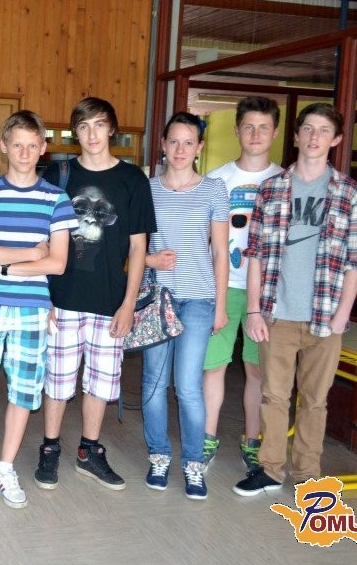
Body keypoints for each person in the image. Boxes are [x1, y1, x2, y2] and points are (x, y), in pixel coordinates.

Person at [234, 103, 357, 496]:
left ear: (336, 139)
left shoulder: (349, 193)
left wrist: (341, 316)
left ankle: (308, 475)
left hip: (325, 317)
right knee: (273, 397)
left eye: (324, 130)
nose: (314, 137)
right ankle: (270, 470)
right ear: (296, 135)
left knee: (314, 401)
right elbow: (256, 254)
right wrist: (254, 310)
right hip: (276, 314)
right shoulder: (272, 189)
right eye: (308, 129)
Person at [0, 110, 77, 509]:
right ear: (4, 146)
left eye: (32, 145)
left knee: (23, 388)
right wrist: (30, 254)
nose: (24, 153)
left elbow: (58, 262)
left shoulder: (56, 199)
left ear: (43, 148)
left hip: (31, 307)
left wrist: (4, 264)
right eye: (17, 144)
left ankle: (6, 468)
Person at [34, 97, 155, 492]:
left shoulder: (132, 179)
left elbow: (138, 247)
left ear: (112, 129)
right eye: (83, 126)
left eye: (99, 125)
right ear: (75, 132)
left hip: (109, 300)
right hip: (62, 298)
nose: (92, 134)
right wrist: (42, 297)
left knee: (101, 383)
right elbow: (40, 240)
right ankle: (50, 448)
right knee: (57, 381)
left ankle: (89, 451)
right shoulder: (59, 174)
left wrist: (128, 304)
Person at [142, 111, 229, 501]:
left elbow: (221, 253)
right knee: (153, 383)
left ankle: (193, 463)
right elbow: (131, 247)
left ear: (199, 147)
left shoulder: (213, 190)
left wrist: (221, 306)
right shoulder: (146, 189)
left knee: (189, 387)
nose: (180, 149)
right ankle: (159, 456)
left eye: (188, 142)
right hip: (156, 298)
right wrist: (150, 260)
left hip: (198, 300)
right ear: (163, 144)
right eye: (173, 141)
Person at [202, 97, 284, 473]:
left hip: (267, 295)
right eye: (248, 126)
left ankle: (252, 440)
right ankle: (206, 438)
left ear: (275, 132)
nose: (255, 134)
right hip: (221, 286)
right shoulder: (217, 179)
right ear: (237, 130)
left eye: (263, 127)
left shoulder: (285, 182)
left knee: (257, 371)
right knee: (213, 367)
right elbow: (202, 236)